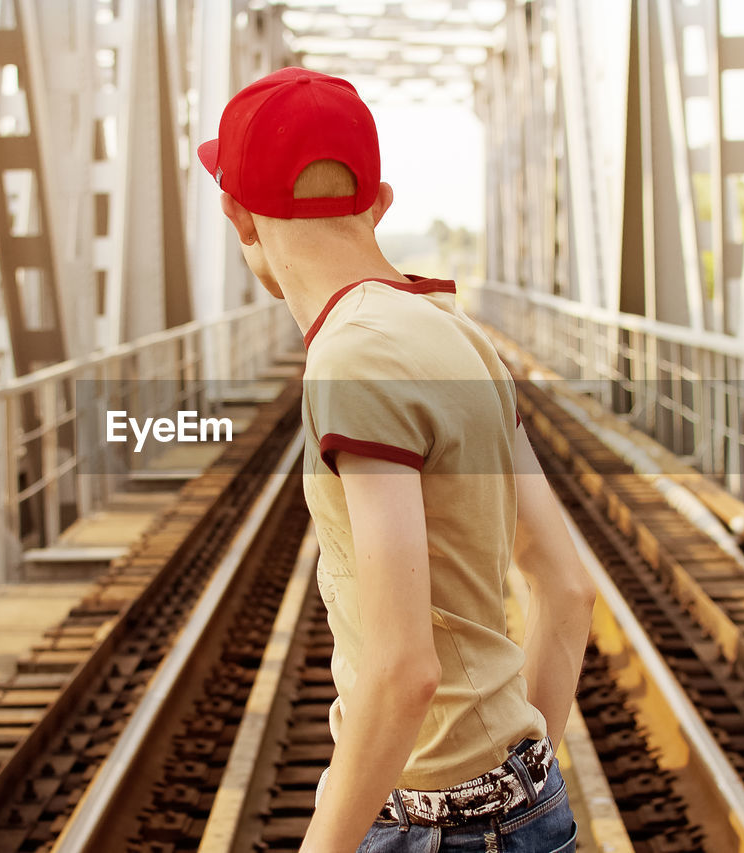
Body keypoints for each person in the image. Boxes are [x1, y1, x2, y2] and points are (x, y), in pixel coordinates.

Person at [197, 66, 596, 853]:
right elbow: (568, 586)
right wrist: (516, 792)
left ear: (238, 217)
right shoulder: (454, 331)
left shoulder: (351, 360)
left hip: (437, 830)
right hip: (518, 808)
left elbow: (403, 669)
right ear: (379, 204)